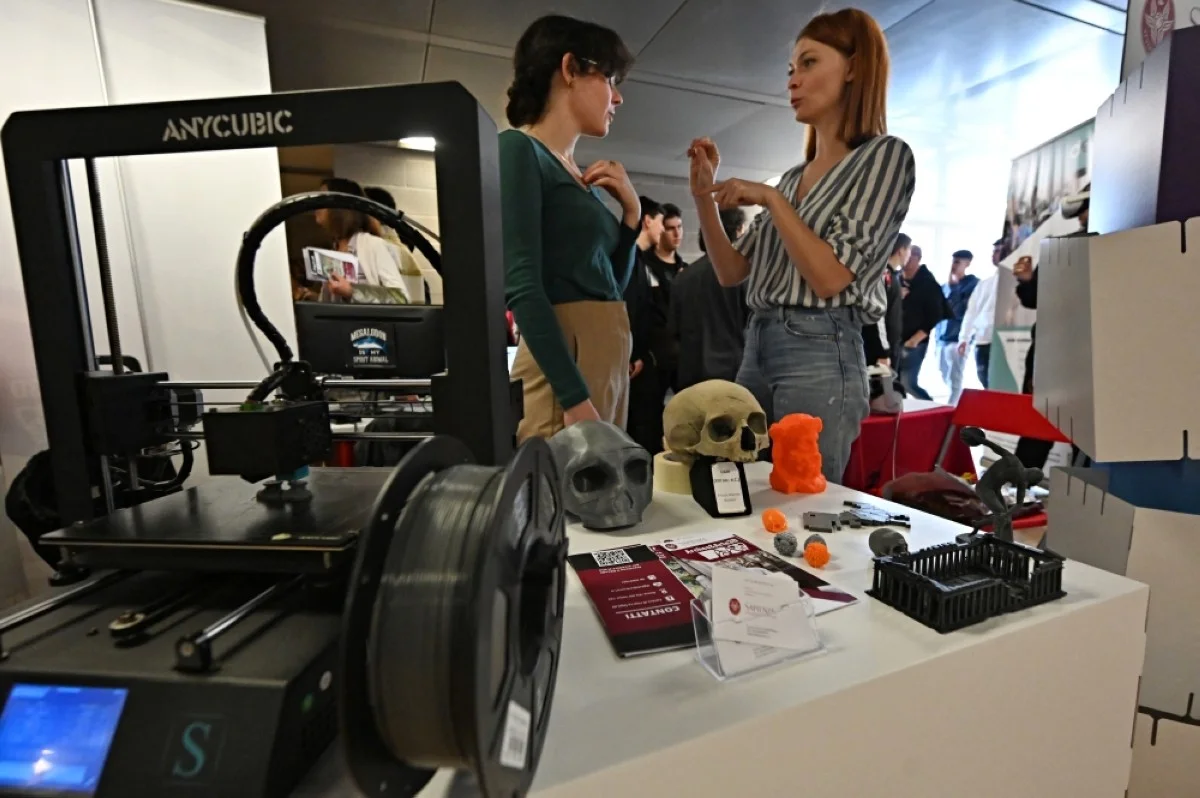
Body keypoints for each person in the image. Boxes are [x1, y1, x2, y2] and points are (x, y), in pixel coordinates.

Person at [687, 8, 915, 484]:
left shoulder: (884, 157)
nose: (793, 80)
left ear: (854, 67)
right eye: (791, 69)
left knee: (805, 497)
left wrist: (769, 198)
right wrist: (703, 197)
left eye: (809, 63)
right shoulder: (792, 179)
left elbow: (830, 276)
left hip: (821, 343)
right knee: (743, 485)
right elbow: (730, 271)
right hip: (759, 341)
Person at [500, 15, 640, 442]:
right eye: (611, 78)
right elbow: (522, 283)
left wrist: (631, 217)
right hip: (566, 363)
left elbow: (608, 288)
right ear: (569, 69)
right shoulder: (520, 149)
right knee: (557, 496)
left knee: (602, 498)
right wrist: (575, 396)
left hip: (606, 354)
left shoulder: (580, 177)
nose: (617, 98)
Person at [624, 200, 687, 452]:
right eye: (665, 225)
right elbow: (633, 309)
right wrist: (635, 353)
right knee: (646, 423)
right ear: (648, 221)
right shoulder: (637, 262)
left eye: (679, 227)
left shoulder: (686, 271)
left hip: (678, 356)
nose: (669, 232)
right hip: (648, 359)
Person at [669, 207, 749, 391]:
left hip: (692, 376)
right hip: (734, 375)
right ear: (737, 232)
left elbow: (673, 332)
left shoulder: (682, 278)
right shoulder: (743, 277)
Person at [315, 177, 409, 304]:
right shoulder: (333, 251)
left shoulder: (373, 245)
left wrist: (352, 291)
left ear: (340, 207)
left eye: (322, 199)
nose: (316, 205)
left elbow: (400, 298)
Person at [898, 245, 944, 401]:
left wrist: (916, 339)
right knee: (895, 384)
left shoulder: (928, 283)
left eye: (911, 256)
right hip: (895, 339)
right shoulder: (897, 279)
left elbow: (935, 314)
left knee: (908, 383)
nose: (906, 259)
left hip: (914, 341)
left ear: (918, 258)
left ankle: (934, 410)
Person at [956, 238, 1004, 388]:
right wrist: (964, 338)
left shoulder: (1014, 282)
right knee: (985, 383)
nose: (993, 255)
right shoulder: (984, 284)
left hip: (1004, 342)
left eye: (998, 251)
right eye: (993, 251)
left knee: (1000, 386)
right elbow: (972, 312)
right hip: (983, 341)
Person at [862, 232, 909, 367]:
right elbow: (877, 315)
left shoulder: (893, 277)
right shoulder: (883, 275)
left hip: (890, 346)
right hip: (881, 351)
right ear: (901, 250)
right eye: (909, 249)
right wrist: (883, 352)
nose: (910, 255)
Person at [937, 249, 978, 404]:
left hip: (958, 338)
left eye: (957, 262)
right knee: (944, 373)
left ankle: (952, 410)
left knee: (955, 378)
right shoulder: (946, 286)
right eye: (953, 261)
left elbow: (959, 312)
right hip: (943, 338)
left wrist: (953, 288)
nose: (953, 266)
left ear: (967, 264)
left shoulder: (972, 285)